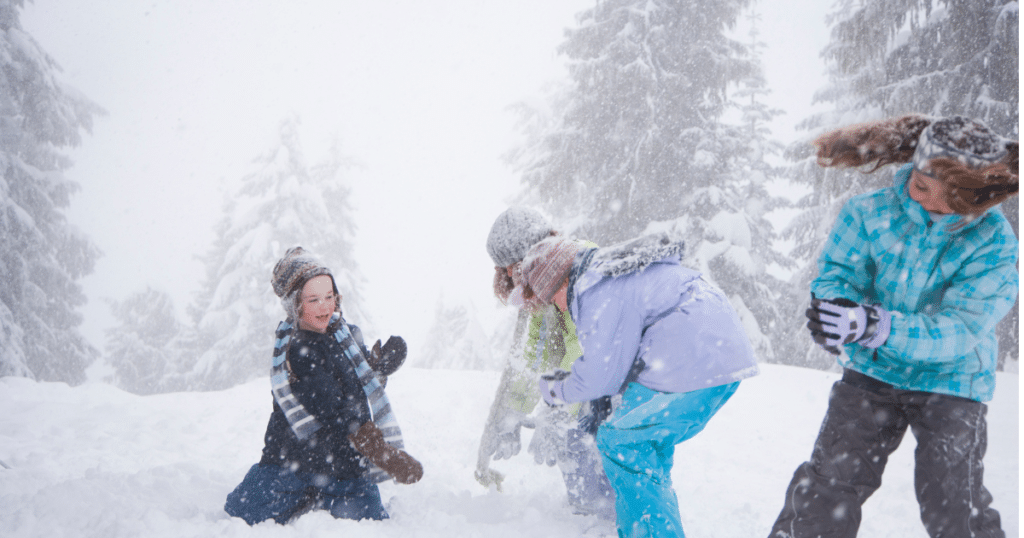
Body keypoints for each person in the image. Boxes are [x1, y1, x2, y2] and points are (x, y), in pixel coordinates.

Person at [767, 115, 1019, 538]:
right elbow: (837, 273)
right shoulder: (869, 213)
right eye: (919, 187)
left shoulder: (994, 243)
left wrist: (876, 326)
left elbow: (959, 328)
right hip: (873, 369)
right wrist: (836, 310)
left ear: (972, 197)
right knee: (828, 485)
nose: (926, 203)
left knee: (953, 501)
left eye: (949, 199)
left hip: (953, 380)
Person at [520, 232, 759, 538]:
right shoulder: (612, 277)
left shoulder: (597, 289)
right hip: (719, 358)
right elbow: (617, 363)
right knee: (645, 449)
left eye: (551, 299)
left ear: (560, 282)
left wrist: (555, 391)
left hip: (692, 358)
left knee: (622, 442)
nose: (558, 308)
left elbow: (597, 377)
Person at [224, 246, 423, 525]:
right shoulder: (297, 350)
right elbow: (333, 406)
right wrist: (380, 451)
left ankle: (320, 493)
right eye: (314, 299)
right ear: (296, 305)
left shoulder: (345, 334)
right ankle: (305, 491)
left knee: (370, 519)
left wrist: (378, 365)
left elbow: (359, 374)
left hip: (343, 464)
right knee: (243, 510)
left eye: (329, 296)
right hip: (295, 459)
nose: (325, 306)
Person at [475, 206, 615, 520]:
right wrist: (514, 411)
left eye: (512, 267)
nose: (510, 277)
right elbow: (536, 356)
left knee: (588, 448)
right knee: (576, 449)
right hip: (589, 389)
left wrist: (558, 410)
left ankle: (604, 520)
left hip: (612, 390)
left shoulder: (579, 271)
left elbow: (584, 348)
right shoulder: (544, 288)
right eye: (506, 269)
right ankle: (590, 516)